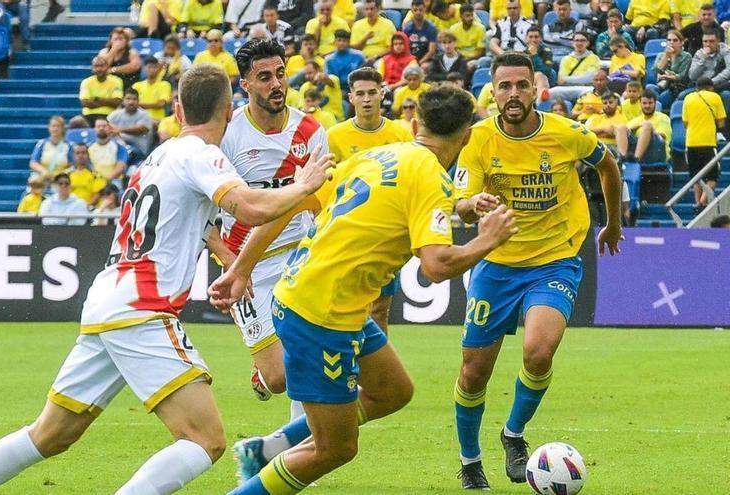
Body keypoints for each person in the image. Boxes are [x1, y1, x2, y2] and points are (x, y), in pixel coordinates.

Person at [0, 63, 336, 495]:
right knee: (206, 440)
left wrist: (231, 265)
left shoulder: (157, 156)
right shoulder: (202, 155)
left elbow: (192, 221)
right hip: (143, 308)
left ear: (178, 109)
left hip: (108, 299)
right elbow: (251, 208)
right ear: (228, 111)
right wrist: (304, 186)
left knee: (49, 435)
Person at [216, 85, 518, 495]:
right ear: (467, 137)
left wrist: (239, 267)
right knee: (335, 448)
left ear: (415, 124)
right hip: (320, 315)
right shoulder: (431, 177)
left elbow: (293, 203)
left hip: (316, 297)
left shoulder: (377, 155)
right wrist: (487, 240)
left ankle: (270, 449)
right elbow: (436, 265)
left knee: (393, 391)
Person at [452, 52, 623, 490]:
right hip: (497, 265)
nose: (512, 94)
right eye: (504, 86)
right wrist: (474, 205)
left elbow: (608, 165)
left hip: (554, 260)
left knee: (539, 351)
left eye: (521, 86)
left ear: (535, 89)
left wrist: (613, 222)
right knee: (473, 373)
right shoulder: (477, 140)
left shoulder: (566, 133)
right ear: (492, 91)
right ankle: (471, 462)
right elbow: (460, 203)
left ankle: (513, 434)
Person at [216, 38, 331, 416]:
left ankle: (299, 452)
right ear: (244, 84)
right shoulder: (227, 134)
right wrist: (232, 263)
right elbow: (200, 213)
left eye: (280, 74)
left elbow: (318, 203)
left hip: (299, 257)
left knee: (305, 354)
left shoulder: (311, 131)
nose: (276, 84)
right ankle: (263, 374)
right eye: (264, 77)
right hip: (246, 266)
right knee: (279, 376)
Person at [326, 67, 414, 332]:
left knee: (379, 311)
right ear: (350, 97)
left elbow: (410, 179)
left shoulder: (400, 135)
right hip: (345, 234)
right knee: (339, 310)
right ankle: (342, 368)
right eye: (360, 94)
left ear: (382, 94)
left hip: (384, 235)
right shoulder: (334, 136)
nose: (366, 99)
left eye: (372, 93)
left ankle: (375, 374)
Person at [682, 76, 727, 210]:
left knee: (697, 176)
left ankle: (697, 203)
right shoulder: (715, 97)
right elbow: (721, 122)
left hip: (691, 142)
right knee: (712, 176)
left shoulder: (688, 98)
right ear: (711, 87)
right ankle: (702, 203)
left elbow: (685, 122)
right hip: (708, 142)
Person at [615, 89, 672, 164]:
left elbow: (662, 136)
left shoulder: (663, 118)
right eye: (644, 103)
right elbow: (624, 132)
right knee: (621, 127)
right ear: (640, 104)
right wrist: (639, 125)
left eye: (650, 103)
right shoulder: (636, 120)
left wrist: (647, 128)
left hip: (656, 151)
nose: (647, 106)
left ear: (655, 103)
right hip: (636, 150)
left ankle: (636, 159)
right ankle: (622, 158)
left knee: (647, 125)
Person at [549, 31, 601, 102]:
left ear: (588, 43)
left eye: (583, 40)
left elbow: (590, 78)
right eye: (577, 40)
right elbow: (560, 81)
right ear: (572, 43)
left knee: (591, 91)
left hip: (586, 88)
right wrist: (581, 79)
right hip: (568, 89)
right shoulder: (566, 59)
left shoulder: (594, 58)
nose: (579, 43)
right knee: (550, 93)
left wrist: (567, 79)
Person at [108, 90, 153, 166]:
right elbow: (106, 126)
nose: (131, 102)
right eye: (128, 99)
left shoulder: (144, 114)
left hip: (138, 150)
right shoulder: (115, 114)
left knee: (126, 153)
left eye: (134, 99)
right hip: (119, 146)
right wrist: (117, 134)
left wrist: (119, 130)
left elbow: (141, 129)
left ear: (138, 101)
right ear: (123, 101)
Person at [652, 30, 692, 109]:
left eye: (675, 40)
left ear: (681, 43)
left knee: (660, 99)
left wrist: (668, 76)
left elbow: (682, 76)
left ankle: (655, 109)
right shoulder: (661, 55)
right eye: (669, 40)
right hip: (661, 85)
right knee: (650, 87)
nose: (671, 42)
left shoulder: (686, 56)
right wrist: (666, 56)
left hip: (677, 87)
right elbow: (655, 72)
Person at [79, 56, 124, 127]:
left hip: (110, 115)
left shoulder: (116, 81)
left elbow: (117, 102)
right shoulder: (86, 82)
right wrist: (107, 102)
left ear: (107, 67)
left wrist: (97, 99)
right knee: (76, 122)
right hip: (89, 115)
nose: (99, 69)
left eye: (102, 66)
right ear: (92, 68)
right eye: (96, 66)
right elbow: (85, 103)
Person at [88, 118, 129, 190]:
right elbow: (89, 167)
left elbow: (120, 167)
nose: (101, 128)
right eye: (98, 126)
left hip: (113, 180)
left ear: (109, 128)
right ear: (94, 129)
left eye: (104, 126)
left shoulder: (119, 147)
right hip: (94, 179)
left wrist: (105, 180)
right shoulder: (88, 148)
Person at [132, 56, 172, 125]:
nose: (152, 70)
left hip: (158, 121)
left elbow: (161, 104)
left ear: (159, 68)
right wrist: (154, 104)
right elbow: (131, 104)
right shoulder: (136, 85)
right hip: (138, 120)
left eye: (155, 67)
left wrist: (139, 104)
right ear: (144, 68)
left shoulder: (165, 85)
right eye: (149, 67)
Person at [585, 91, 626, 156]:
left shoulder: (622, 116)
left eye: (610, 102)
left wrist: (597, 133)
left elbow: (612, 132)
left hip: (613, 148)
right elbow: (586, 131)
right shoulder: (595, 117)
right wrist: (603, 129)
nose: (608, 105)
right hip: (596, 147)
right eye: (605, 103)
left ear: (616, 102)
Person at [403, 0, 438, 64]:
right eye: (415, 10)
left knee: (425, 67)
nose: (418, 12)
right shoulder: (407, 29)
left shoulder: (432, 28)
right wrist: (412, 61)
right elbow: (405, 49)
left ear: (424, 9)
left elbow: (432, 51)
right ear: (411, 10)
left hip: (426, 60)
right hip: (411, 59)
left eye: (420, 10)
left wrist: (419, 62)